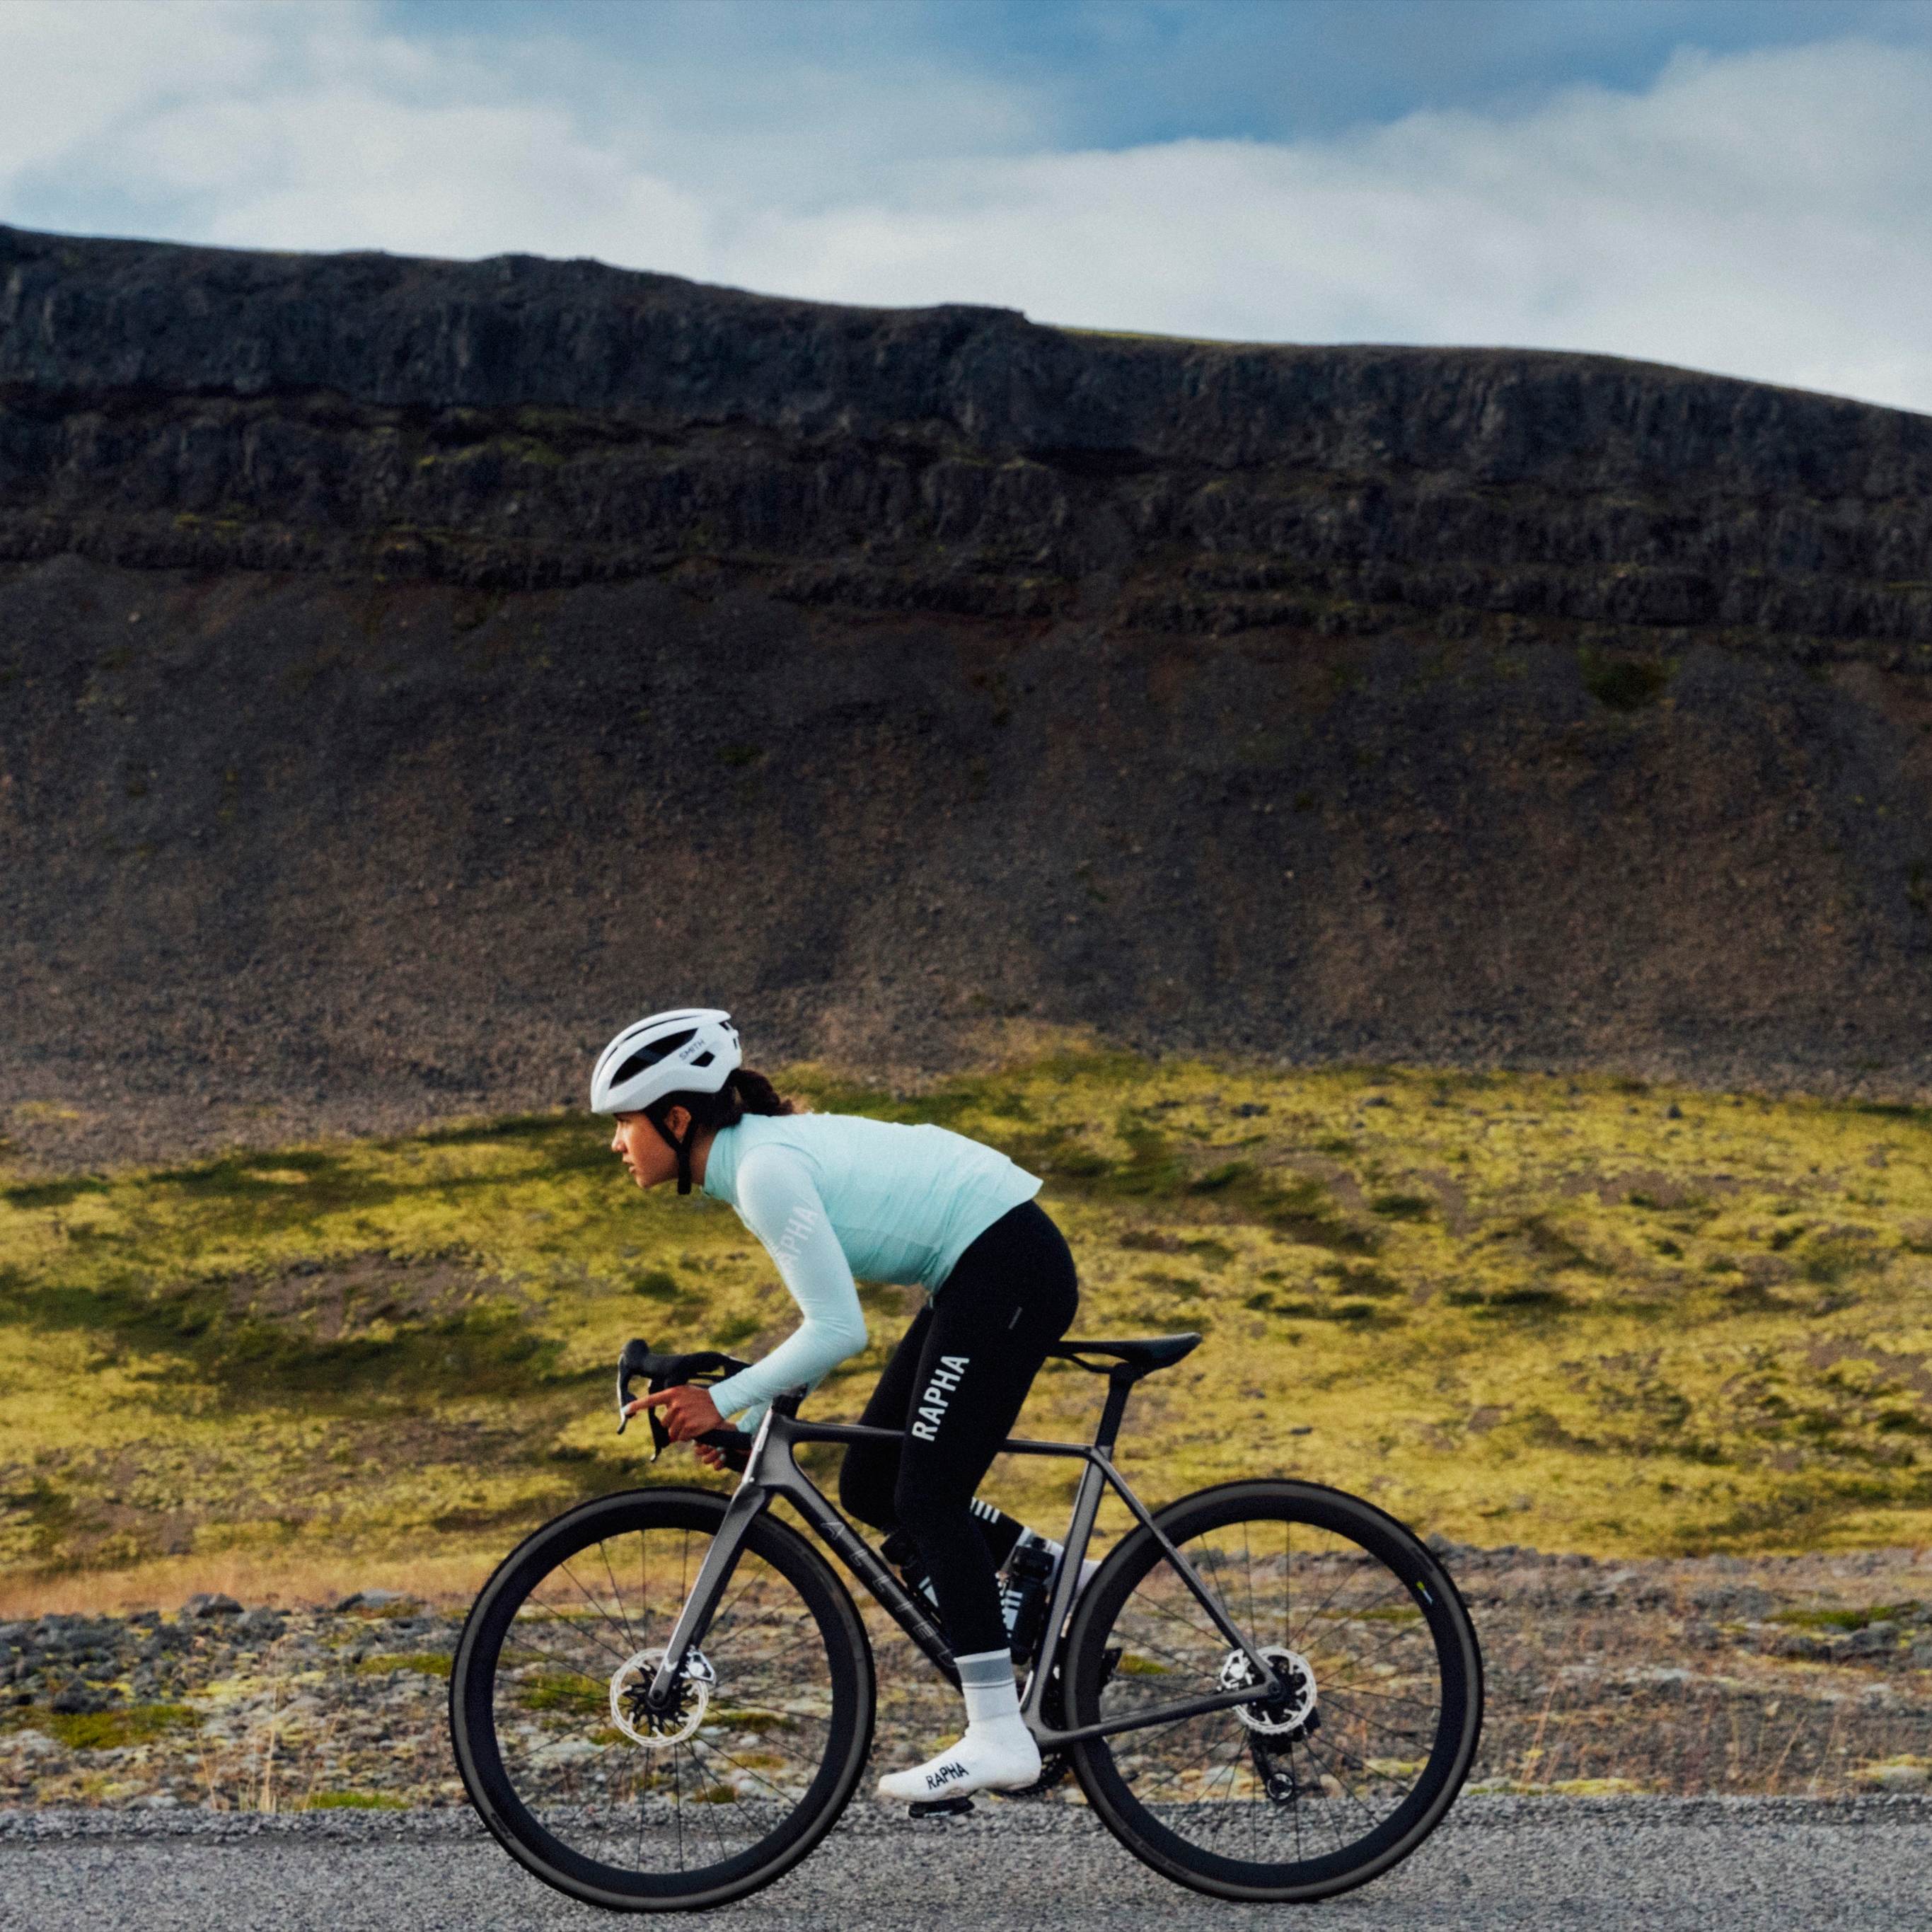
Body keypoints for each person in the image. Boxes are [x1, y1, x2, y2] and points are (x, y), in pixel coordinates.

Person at [592, 1006, 1082, 1803]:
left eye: (623, 1123)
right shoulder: (752, 1160)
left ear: (676, 1119)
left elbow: (837, 1329)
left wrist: (721, 1399)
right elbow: (824, 1324)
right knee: (872, 1484)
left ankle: (999, 1736)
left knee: (927, 1493)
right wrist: (747, 1417)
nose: (616, 1143)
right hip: (979, 1265)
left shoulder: (761, 1170)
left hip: (1003, 1264)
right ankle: (1058, 1577)